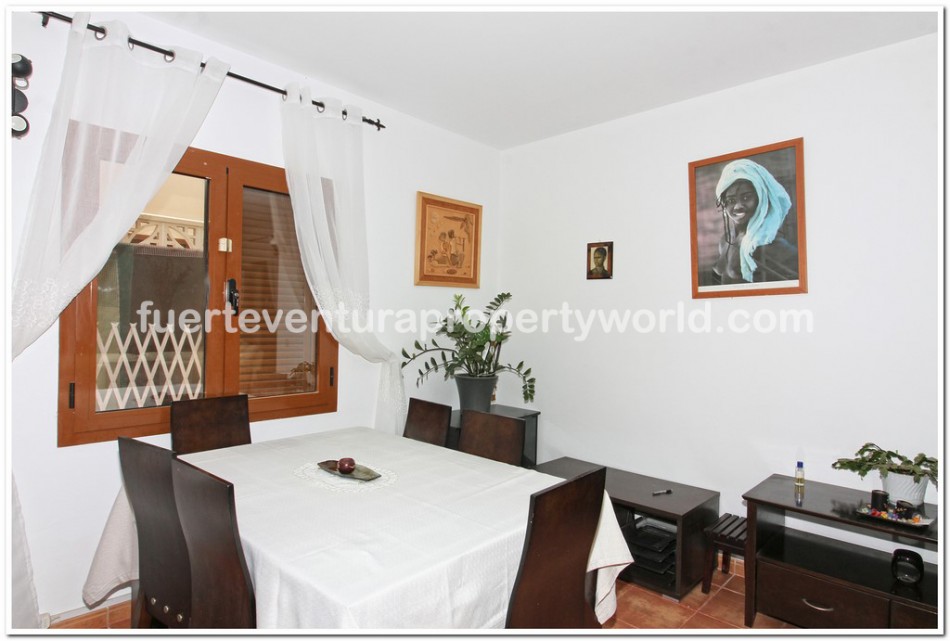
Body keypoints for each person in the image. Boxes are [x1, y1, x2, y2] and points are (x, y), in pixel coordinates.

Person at [711, 159, 799, 285]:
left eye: (746, 197)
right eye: (731, 201)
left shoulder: (764, 242)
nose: (738, 206)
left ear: (760, 200)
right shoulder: (725, 239)